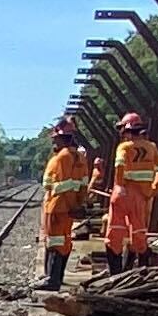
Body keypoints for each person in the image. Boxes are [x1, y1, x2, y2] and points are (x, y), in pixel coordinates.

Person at [39, 123, 97, 292]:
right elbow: (83, 185)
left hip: (57, 206)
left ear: (61, 139)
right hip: (68, 208)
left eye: (55, 139)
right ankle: (56, 277)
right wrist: (79, 204)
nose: (53, 142)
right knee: (64, 242)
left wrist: (72, 205)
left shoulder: (62, 157)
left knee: (54, 242)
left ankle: (52, 279)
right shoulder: (80, 158)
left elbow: (63, 185)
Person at [105, 113, 158, 266]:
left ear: (126, 130)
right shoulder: (151, 147)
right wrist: (153, 190)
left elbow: (119, 165)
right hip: (142, 197)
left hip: (124, 193)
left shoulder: (124, 147)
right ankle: (141, 269)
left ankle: (116, 273)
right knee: (139, 232)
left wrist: (119, 186)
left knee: (115, 232)